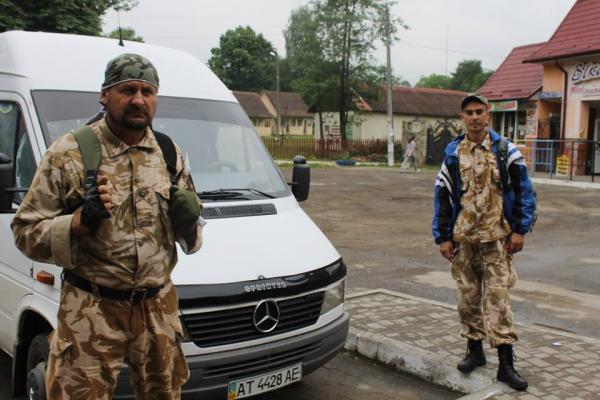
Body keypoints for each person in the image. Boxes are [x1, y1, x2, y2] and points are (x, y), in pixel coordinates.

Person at [12, 53, 204, 399]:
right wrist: (78, 222)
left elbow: (191, 240)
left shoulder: (168, 153)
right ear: (105, 95)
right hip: (91, 307)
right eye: (127, 90)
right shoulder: (69, 153)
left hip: (157, 308)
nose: (138, 100)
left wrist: (188, 223)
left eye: (147, 91)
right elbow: (25, 233)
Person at [432, 94, 536, 391]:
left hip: (496, 239)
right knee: (467, 297)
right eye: (469, 112)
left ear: (488, 115)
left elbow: (524, 191)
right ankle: (474, 351)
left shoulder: (506, 150)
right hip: (463, 239)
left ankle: (506, 364)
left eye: (479, 111)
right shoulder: (453, 154)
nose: (475, 117)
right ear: (462, 117)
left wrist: (520, 230)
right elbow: (442, 196)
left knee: (498, 298)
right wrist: (442, 237)